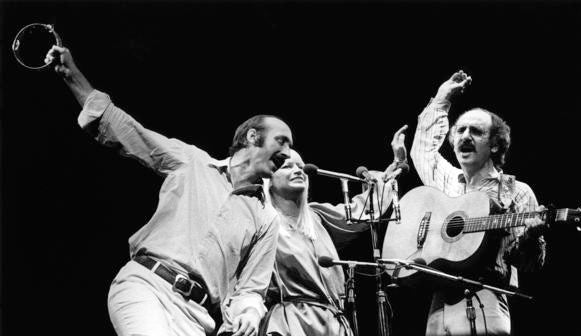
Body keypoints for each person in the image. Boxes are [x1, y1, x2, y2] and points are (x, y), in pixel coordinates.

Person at [45, 45, 293, 336]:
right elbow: (127, 132)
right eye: (282, 141)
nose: (289, 153)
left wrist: (250, 312)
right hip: (148, 287)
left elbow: (251, 288)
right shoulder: (193, 162)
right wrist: (72, 75)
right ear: (253, 136)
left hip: (196, 319)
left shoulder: (266, 219)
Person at [410, 70, 547, 335]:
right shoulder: (448, 181)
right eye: (460, 130)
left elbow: (530, 263)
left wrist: (533, 234)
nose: (465, 136)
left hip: (486, 297)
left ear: (495, 145)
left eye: (476, 131)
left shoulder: (516, 192)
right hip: (439, 300)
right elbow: (423, 151)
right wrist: (442, 99)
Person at [258, 127, 407, 336]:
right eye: (287, 166)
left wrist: (395, 168)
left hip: (332, 321)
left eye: (301, 167)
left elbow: (363, 211)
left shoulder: (316, 216)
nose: (298, 170)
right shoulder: (261, 220)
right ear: (268, 178)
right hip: (290, 322)